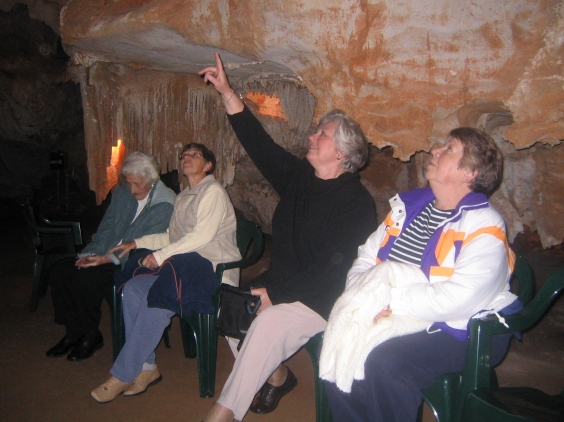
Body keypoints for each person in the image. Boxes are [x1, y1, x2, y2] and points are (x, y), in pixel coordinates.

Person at [198, 53, 377, 422]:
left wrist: (274, 296)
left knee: (266, 322)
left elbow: (335, 270)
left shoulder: (355, 203)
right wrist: (228, 93)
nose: (312, 137)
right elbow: (258, 144)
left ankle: (223, 414)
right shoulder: (299, 178)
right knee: (229, 308)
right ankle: (278, 374)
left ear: (341, 153)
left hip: (323, 298)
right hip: (281, 283)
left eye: (322, 135)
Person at [323, 127, 521, 422]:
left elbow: (460, 298)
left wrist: (391, 304)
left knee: (386, 364)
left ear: (470, 173)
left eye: (449, 149)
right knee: (341, 343)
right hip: (399, 311)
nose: (436, 151)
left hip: (463, 326)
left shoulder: (484, 225)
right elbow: (366, 258)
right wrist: (364, 298)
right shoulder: (407, 208)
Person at [90, 143, 241, 403]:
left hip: (212, 270)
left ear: (208, 165)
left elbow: (202, 237)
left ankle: (123, 374)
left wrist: (160, 255)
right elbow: (171, 236)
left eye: (195, 155)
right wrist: (136, 243)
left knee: (158, 299)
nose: (187, 158)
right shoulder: (183, 196)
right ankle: (147, 368)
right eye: (184, 155)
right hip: (183, 267)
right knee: (134, 289)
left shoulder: (213, 191)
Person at [46, 152, 176, 362]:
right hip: (107, 254)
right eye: (129, 183)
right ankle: (73, 332)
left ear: (151, 180)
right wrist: (90, 253)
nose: (132, 190)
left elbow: (145, 243)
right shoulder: (122, 193)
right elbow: (106, 229)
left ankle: (91, 335)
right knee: (60, 272)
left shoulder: (164, 203)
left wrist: (107, 259)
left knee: (86, 279)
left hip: (133, 260)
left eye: (137, 184)